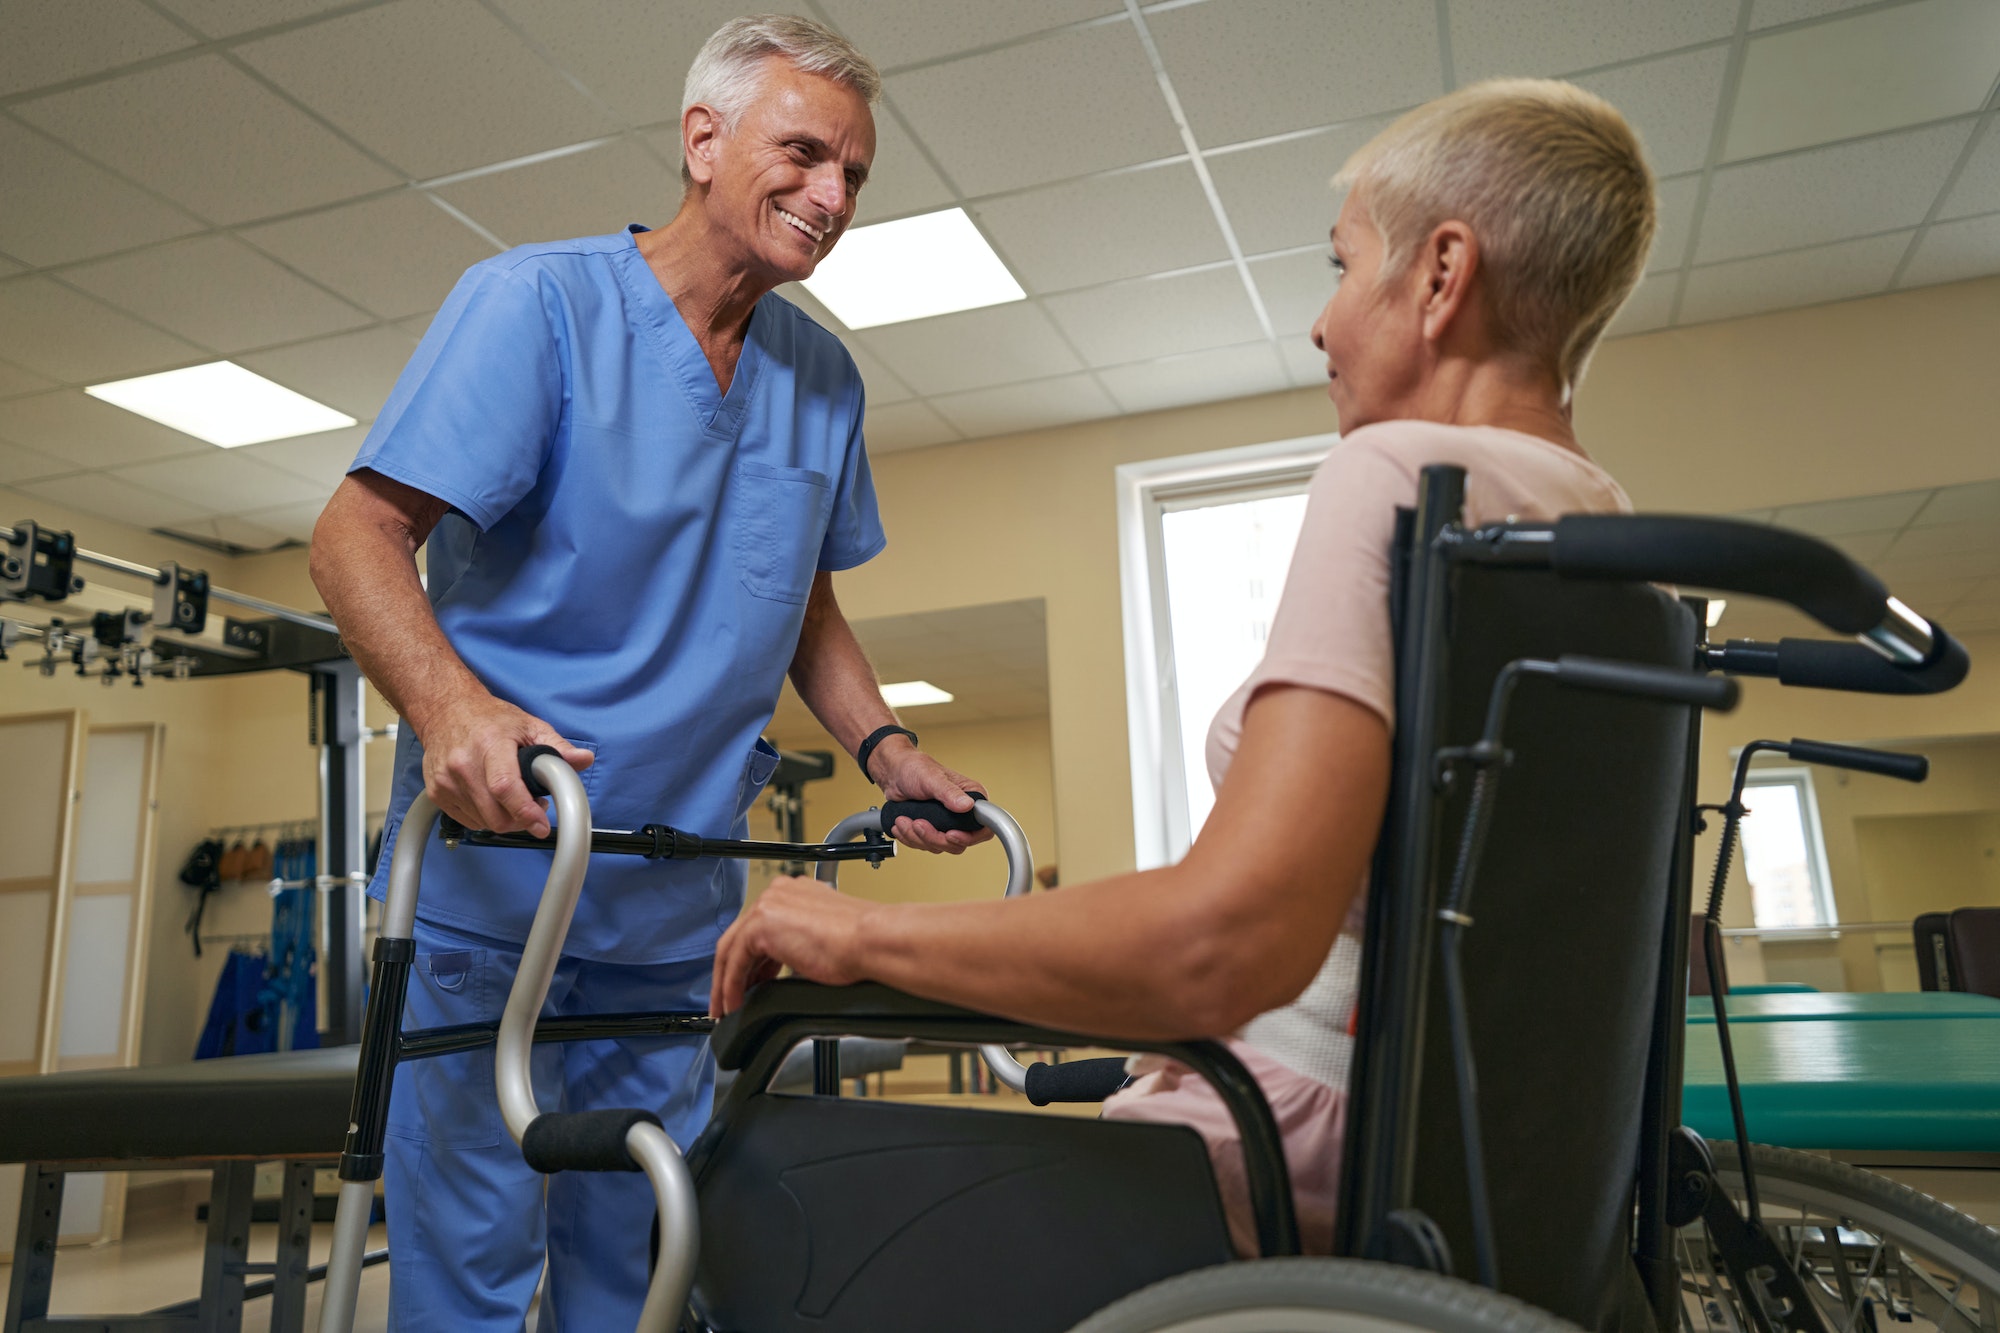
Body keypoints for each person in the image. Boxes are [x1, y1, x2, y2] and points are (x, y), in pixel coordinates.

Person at [710, 77, 1658, 1255]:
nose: (1321, 324)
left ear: (1440, 275)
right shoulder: (1610, 536)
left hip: (1289, 1147)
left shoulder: (1402, 480)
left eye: (1340, 266)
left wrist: (859, 937)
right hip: (1466, 1163)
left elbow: (1226, 943)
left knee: (750, 1192)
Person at [309, 16, 989, 1328]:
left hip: (673, 915)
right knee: (472, 1279)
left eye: (856, 173)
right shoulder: (539, 308)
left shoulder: (824, 380)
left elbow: (804, 601)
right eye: (804, 153)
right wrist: (449, 707)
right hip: (500, 885)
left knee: (642, 1271)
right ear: (701, 141)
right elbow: (356, 534)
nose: (834, 196)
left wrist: (887, 749)